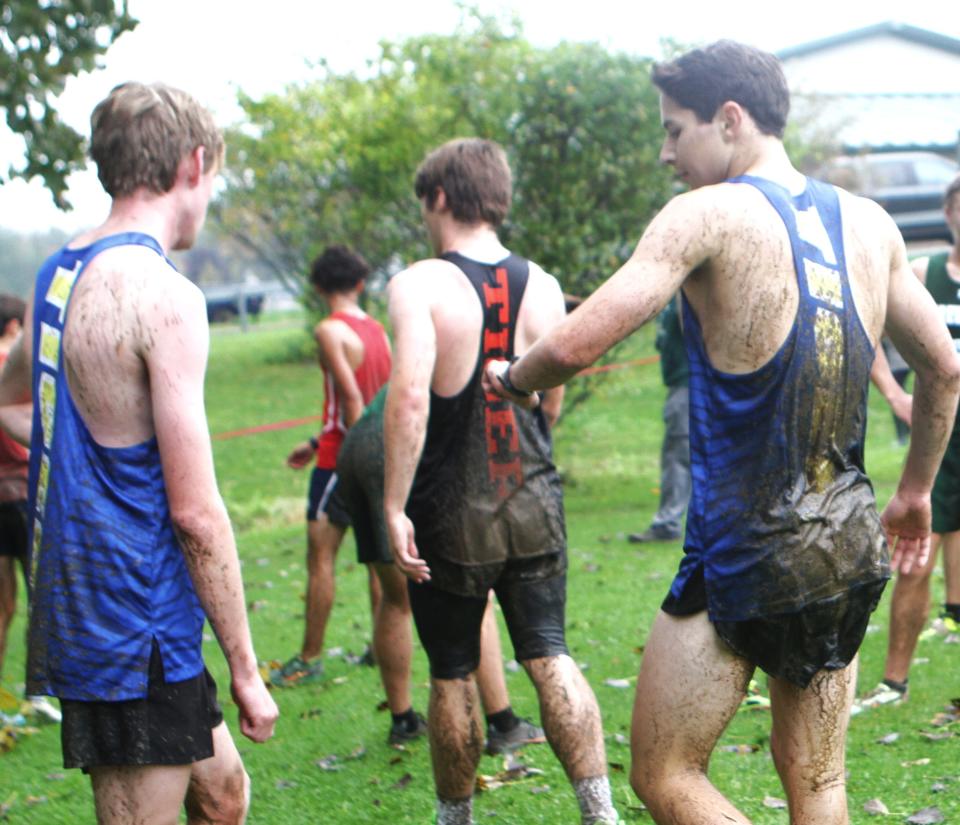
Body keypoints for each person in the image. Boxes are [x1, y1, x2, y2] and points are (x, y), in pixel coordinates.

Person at [483, 40, 960, 824]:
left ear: (730, 119)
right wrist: (913, 493)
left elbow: (574, 343)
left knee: (664, 771)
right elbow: (943, 370)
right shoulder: (873, 225)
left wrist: (511, 378)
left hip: (742, 550)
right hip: (843, 540)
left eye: (676, 131)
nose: (667, 153)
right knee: (819, 783)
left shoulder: (705, 214)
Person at [0, 82, 278, 824]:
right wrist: (248, 671)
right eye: (214, 176)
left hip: (127, 611)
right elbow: (194, 512)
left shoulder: (57, 274)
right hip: (129, 624)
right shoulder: (162, 294)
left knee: (222, 794)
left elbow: (18, 403)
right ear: (194, 164)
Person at [384, 138, 621, 825]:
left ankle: (456, 818)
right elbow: (552, 394)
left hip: (451, 507)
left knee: (453, 668)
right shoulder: (543, 284)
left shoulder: (420, 282)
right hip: (533, 496)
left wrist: (394, 504)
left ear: (437, 197)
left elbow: (408, 400)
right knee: (550, 650)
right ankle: (599, 811)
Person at [331, 385, 546, 750]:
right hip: (401, 444)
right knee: (475, 584)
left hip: (360, 443)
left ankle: (403, 721)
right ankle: (503, 722)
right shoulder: (491, 348)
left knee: (395, 596)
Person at [854, 175, 960, 713]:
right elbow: (870, 330)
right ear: (947, 214)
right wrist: (895, 393)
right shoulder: (926, 273)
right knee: (917, 557)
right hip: (940, 442)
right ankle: (894, 683)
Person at [271, 245, 392, 687]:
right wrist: (314, 440)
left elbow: (352, 400)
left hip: (343, 456)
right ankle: (381, 649)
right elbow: (381, 394)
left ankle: (309, 657)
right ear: (360, 283)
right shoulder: (377, 331)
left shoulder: (329, 330)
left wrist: (352, 457)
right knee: (377, 555)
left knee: (320, 557)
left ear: (318, 287)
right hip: (378, 449)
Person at [628, 294, 690, 543]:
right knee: (679, 454)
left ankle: (668, 524)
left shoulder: (687, 294)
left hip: (690, 385)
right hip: (681, 385)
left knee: (679, 457)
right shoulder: (673, 298)